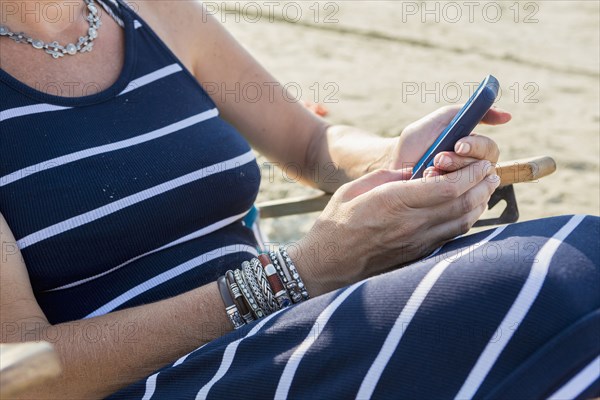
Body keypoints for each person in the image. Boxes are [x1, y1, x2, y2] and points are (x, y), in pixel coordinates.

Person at [0, 1, 598, 399]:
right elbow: (20, 371)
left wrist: (395, 153)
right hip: (162, 380)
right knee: (547, 281)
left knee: (577, 259)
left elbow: (310, 143)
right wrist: (299, 274)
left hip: (280, 330)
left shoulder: (153, 12)